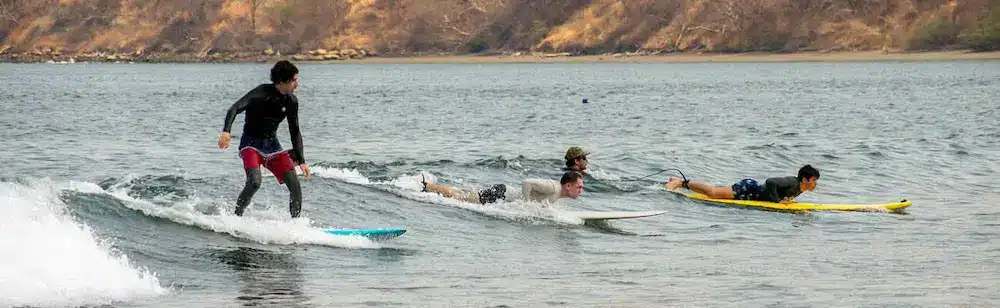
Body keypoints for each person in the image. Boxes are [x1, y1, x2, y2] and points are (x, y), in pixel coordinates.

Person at [217, 60, 312, 218]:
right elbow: (234, 108)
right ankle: (236, 217)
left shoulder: (291, 101)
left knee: (295, 186)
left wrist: (302, 161)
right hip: (250, 144)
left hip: (273, 146)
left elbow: (295, 131)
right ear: (282, 81)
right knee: (255, 182)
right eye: (294, 80)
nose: (297, 84)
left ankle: (296, 224)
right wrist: (226, 132)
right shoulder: (260, 93)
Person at [665, 165, 820, 204]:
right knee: (713, 193)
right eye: (813, 180)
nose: (815, 184)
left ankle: (681, 183)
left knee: (715, 193)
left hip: (753, 195)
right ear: (804, 179)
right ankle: (681, 182)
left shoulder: (800, 188)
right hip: (749, 189)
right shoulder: (792, 181)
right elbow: (770, 182)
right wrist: (778, 202)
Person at [421, 171, 585, 205]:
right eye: (579, 187)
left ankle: (429, 185)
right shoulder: (552, 188)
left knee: (461, 194)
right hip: (500, 195)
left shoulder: (558, 193)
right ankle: (426, 186)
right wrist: (526, 204)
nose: (581, 190)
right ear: (568, 185)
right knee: (458, 197)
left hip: (502, 194)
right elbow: (526, 182)